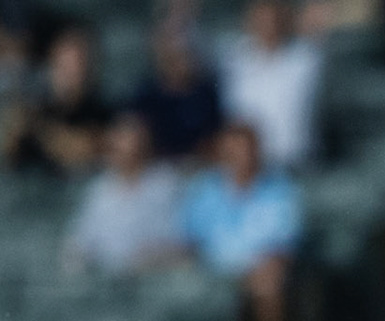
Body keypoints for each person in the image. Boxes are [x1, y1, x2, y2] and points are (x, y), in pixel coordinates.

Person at [177, 120, 300, 321]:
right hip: (209, 271)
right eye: (232, 151)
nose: (239, 157)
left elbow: (284, 244)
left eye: (245, 150)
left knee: (268, 283)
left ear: (257, 152)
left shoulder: (280, 189)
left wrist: (255, 269)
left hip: (258, 269)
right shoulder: (204, 188)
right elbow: (189, 239)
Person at [63, 114, 183, 274]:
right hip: (106, 278)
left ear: (143, 142)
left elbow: (177, 240)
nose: (117, 147)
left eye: (124, 139)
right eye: (114, 141)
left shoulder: (165, 183)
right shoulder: (100, 188)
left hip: (152, 275)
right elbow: (80, 239)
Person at [219, 0, 322, 171]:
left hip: (294, 162)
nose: (268, 24)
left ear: (285, 20)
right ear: (249, 20)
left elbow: (318, 21)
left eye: (273, 18)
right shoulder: (231, 59)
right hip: (247, 167)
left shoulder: (306, 61)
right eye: (261, 17)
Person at [3, 23, 110, 174]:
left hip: (75, 187)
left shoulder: (99, 108)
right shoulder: (38, 101)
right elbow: (7, 151)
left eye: (80, 60)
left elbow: (80, 150)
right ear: (52, 61)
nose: (73, 69)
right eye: (66, 61)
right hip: (29, 185)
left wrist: (36, 125)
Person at [131, 23, 224, 163]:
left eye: (182, 55)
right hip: (156, 168)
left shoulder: (206, 93)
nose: (177, 62)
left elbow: (215, 140)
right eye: (171, 56)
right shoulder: (146, 94)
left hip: (199, 167)